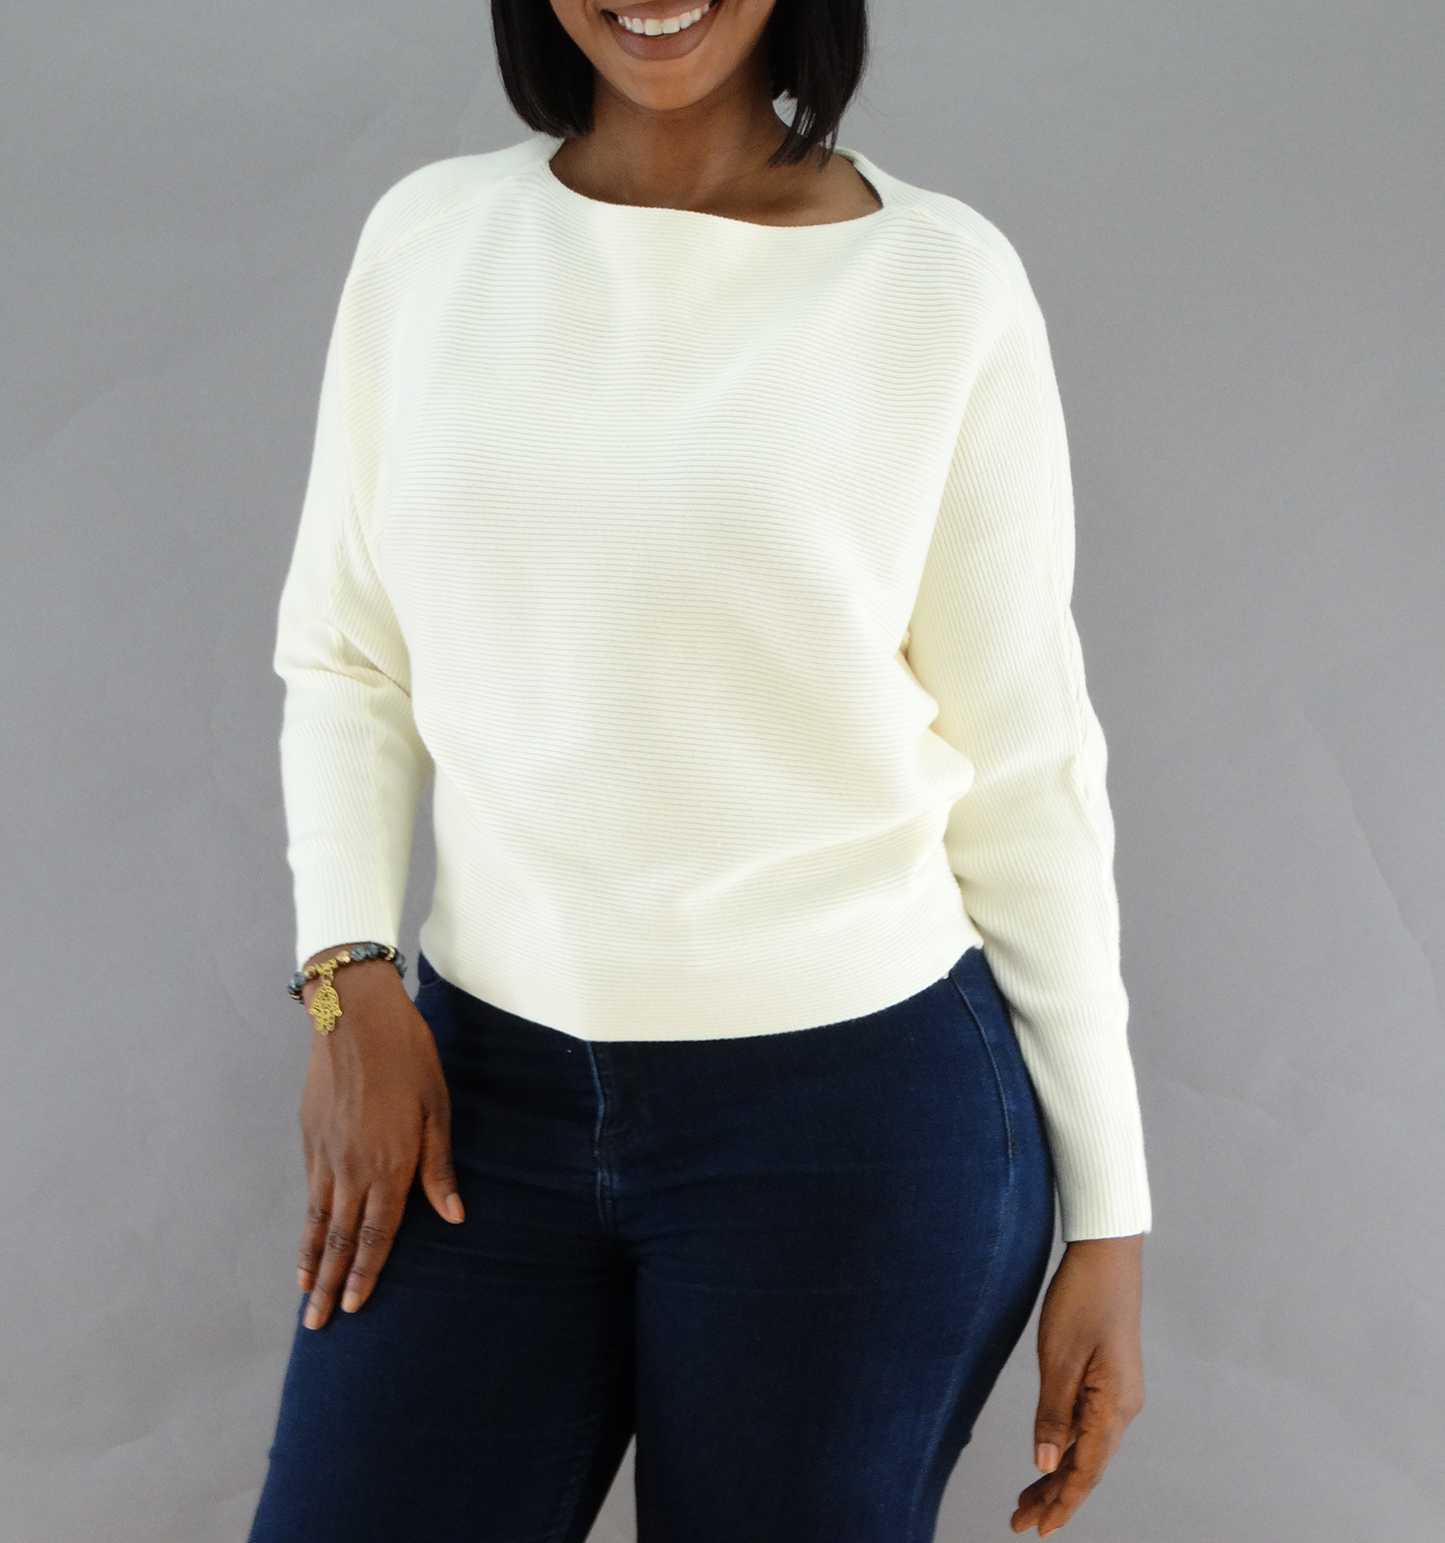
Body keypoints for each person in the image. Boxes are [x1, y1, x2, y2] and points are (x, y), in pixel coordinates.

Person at [247, 0, 1152, 1538]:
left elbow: (1028, 764)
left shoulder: (939, 285)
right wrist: (349, 976)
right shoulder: (429, 244)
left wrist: (1111, 1215)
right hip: (480, 1096)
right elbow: (346, 654)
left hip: (854, 1124)